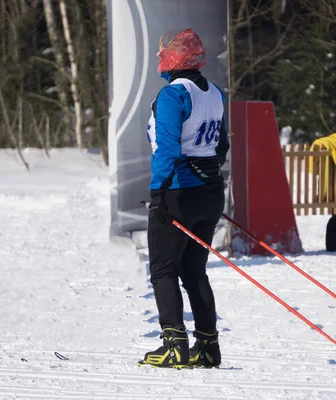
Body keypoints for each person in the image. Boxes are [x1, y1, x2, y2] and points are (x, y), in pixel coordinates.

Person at [141, 28, 229, 368]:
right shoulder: (214, 92)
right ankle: (208, 347)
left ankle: (174, 345)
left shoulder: (172, 95)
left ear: (172, 58)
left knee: (163, 270)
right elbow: (221, 146)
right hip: (209, 192)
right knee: (194, 272)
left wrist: (158, 191)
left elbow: (167, 146)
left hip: (178, 192)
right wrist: (206, 176)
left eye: (165, 52)